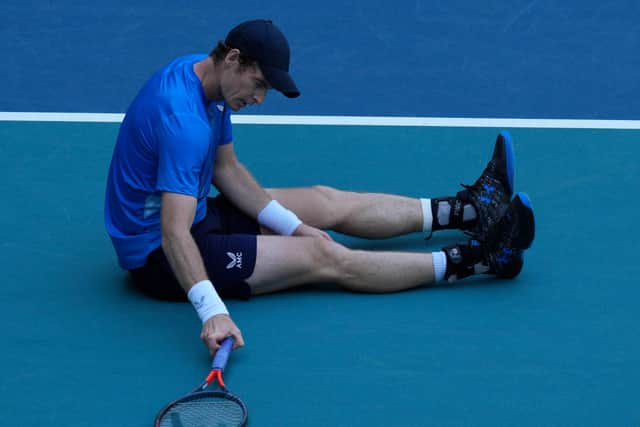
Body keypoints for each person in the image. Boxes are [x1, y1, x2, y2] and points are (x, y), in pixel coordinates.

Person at [104, 19, 535, 356]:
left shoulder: (201, 75)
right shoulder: (184, 122)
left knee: (322, 201)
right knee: (325, 256)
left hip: (197, 213)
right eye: (259, 85)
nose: (260, 100)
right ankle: (481, 258)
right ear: (234, 59)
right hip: (160, 259)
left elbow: (227, 169)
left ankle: (471, 210)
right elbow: (173, 232)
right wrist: (211, 311)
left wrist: (293, 226)